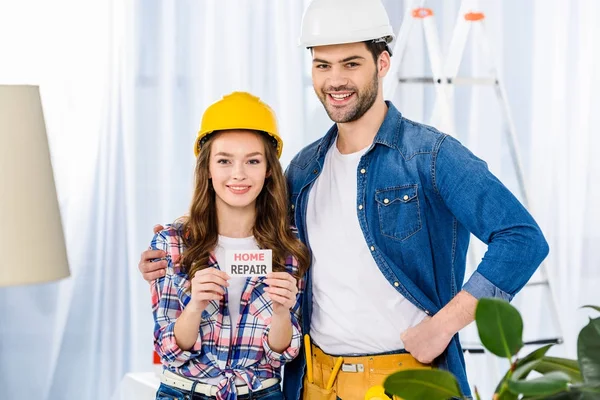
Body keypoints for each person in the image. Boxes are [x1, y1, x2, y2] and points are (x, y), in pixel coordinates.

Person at [141, 1, 549, 399]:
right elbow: (250, 220)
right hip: (314, 382)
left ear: (382, 63)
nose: (335, 80)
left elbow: (521, 238)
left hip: (404, 381)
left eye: (351, 63)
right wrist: (180, 241)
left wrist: (444, 326)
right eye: (322, 65)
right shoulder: (303, 169)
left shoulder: (431, 156)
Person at [150, 91, 310, 400]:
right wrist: (194, 306)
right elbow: (169, 349)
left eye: (252, 161)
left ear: (268, 170)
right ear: (207, 168)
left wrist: (281, 312)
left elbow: (281, 355)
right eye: (225, 161)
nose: (238, 174)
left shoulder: (290, 246)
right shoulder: (171, 243)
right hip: (184, 392)